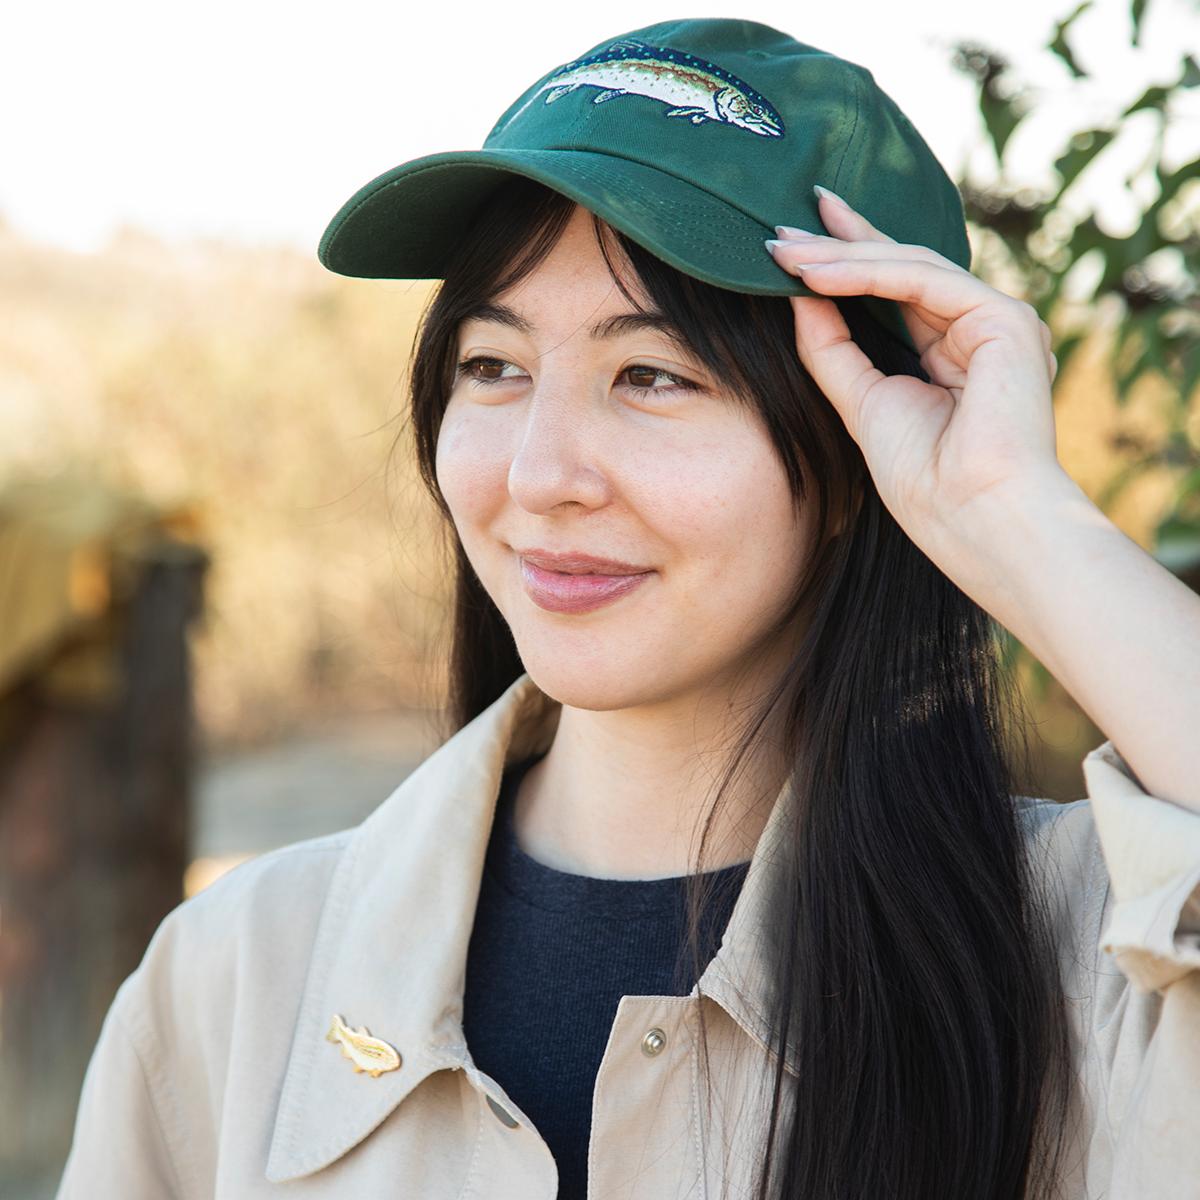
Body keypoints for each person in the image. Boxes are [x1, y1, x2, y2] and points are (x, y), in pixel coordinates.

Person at [58, 18, 1200, 1200]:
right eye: (493, 367)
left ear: (861, 447)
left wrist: (1013, 515)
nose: (543, 472)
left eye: (651, 375)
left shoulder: (1085, 961)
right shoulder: (236, 981)